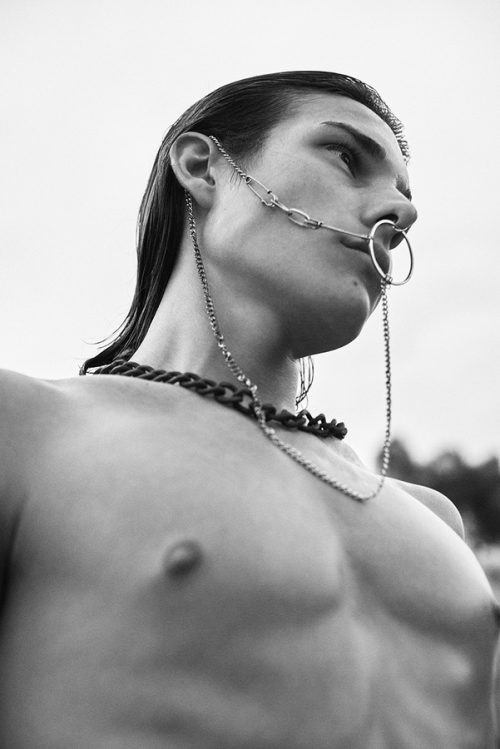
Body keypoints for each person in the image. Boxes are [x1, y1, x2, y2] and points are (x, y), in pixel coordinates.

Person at [0, 71, 498, 748]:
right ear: (203, 167)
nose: (399, 214)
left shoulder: (436, 520)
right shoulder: (28, 431)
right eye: (347, 156)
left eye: (406, 199)